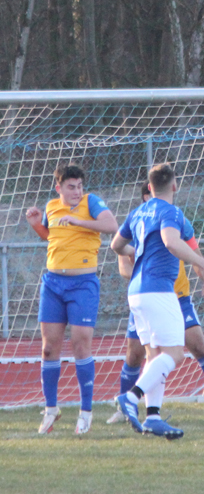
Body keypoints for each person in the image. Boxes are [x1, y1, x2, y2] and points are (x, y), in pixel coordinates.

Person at [107, 183, 204, 425]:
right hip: (149, 296)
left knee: (197, 347)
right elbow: (123, 262)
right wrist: (145, 266)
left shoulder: (175, 219)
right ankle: (129, 406)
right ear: (148, 196)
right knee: (138, 354)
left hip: (176, 297)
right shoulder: (138, 223)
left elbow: (191, 251)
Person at [110, 163, 204, 439]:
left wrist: (139, 250)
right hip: (158, 289)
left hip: (136, 291)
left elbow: (116, 246)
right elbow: (171, 242)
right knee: (174, 354)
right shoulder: (170, 211)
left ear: (149, 186)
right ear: (175, 185)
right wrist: (202, 263)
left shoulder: (138, 211)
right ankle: (130, 397)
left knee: (154, 355)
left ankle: (153, 416)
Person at [25, 164, 119, 435]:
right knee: (48, 348)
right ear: (59, 188)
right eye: (71, 187)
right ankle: (51, 409)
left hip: (83, 284)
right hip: (53, 283)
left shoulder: (91, 202)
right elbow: (51, 236)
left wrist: (80, 221)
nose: (77, 191)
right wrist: (35, 225)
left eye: (79, 186)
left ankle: (86, 411)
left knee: (80, 344)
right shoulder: (52, 207)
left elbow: (112, 225)